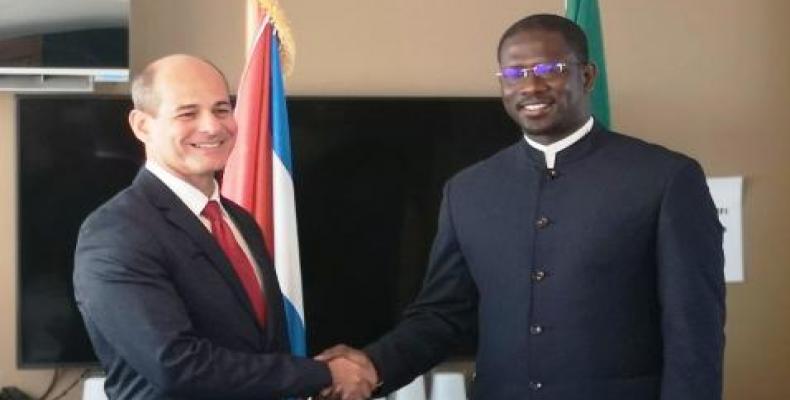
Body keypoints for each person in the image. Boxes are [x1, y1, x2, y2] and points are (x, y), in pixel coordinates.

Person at [317, 14, 725, 400]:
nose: (529, 87)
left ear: (587, 76)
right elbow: (442, 315)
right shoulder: (468, 190)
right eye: (513, 74)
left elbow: (694, 332)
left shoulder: (665, 179)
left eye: (549, 69)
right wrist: (373, 365)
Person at [73, 54, 376, 400]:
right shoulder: (116, 232)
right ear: (143, 125)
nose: (213, 126)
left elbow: (262, 347)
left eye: (221, 109)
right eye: (188, 113)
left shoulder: (240, 221)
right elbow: (175, 365)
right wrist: (322, 374)